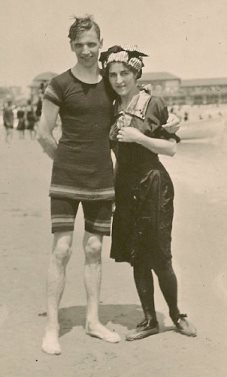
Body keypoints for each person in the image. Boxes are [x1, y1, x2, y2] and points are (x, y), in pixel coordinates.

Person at [99, 45, 197, 341]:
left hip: (153, 183)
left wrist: (139, 137)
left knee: (159, 255)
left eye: (124, 73)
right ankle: (149, 319)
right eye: (113, 74)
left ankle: (177, 314)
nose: (119, 80)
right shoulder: (110, 107)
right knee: (136, 254)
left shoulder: (152, 103)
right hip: (125, 186)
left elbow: (171, 147)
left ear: (135, 73)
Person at [37, 16, 120, 355]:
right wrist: (65, 161)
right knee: (62, 249)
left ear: (101, 44)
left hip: (102, 178)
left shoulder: (111, 85)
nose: (86, 50)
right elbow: (44, 132)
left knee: (94, 249)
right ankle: (52, 327)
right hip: (67, 178)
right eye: (79, 45)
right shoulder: (59, 84)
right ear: (71, 47)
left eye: (91, 44)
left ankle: (93, 320)